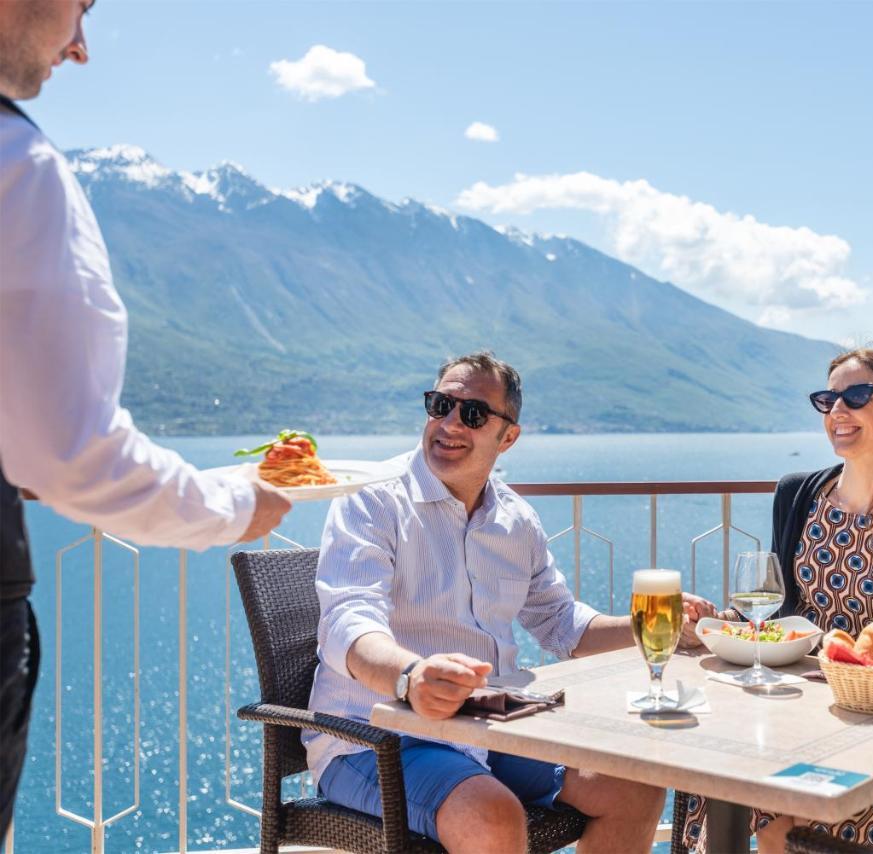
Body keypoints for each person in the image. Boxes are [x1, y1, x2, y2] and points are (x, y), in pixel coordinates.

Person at [0, 0, 293, 835]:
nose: (81, 45)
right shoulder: (17, 164)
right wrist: (236, 504)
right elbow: (69, 455)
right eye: (83, 4)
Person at [307, 352, 710, 852]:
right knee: (493, 816)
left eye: (472, 413)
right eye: (440, 405)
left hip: (485, 728)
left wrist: (651, 625)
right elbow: (349, 618)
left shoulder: (515, 520)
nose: (450, 423)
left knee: (634, 783)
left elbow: (562, 623)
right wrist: (410, 678)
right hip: (372, 740)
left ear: (508, 437)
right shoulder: (374, 498)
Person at [680, 348, 873, 854]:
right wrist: (715, 621)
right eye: (827, 399)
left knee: (776, 817)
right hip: (788, 714)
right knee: (737, 783)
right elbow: (780, 608)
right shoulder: (798, 495)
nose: (839, 410)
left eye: (857, 396)